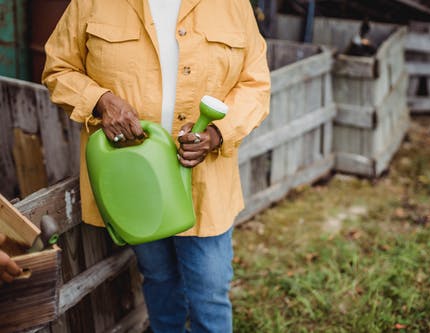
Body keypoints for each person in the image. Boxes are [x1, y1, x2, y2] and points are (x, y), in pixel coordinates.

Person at [42, 1, 270, 332]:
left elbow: (256, 84)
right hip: (135, 182)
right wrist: (102, 101)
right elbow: (58, 68)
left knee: (209, 291)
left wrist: (218, 133)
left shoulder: (232, 4)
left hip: (205, 184)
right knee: (159, 278)